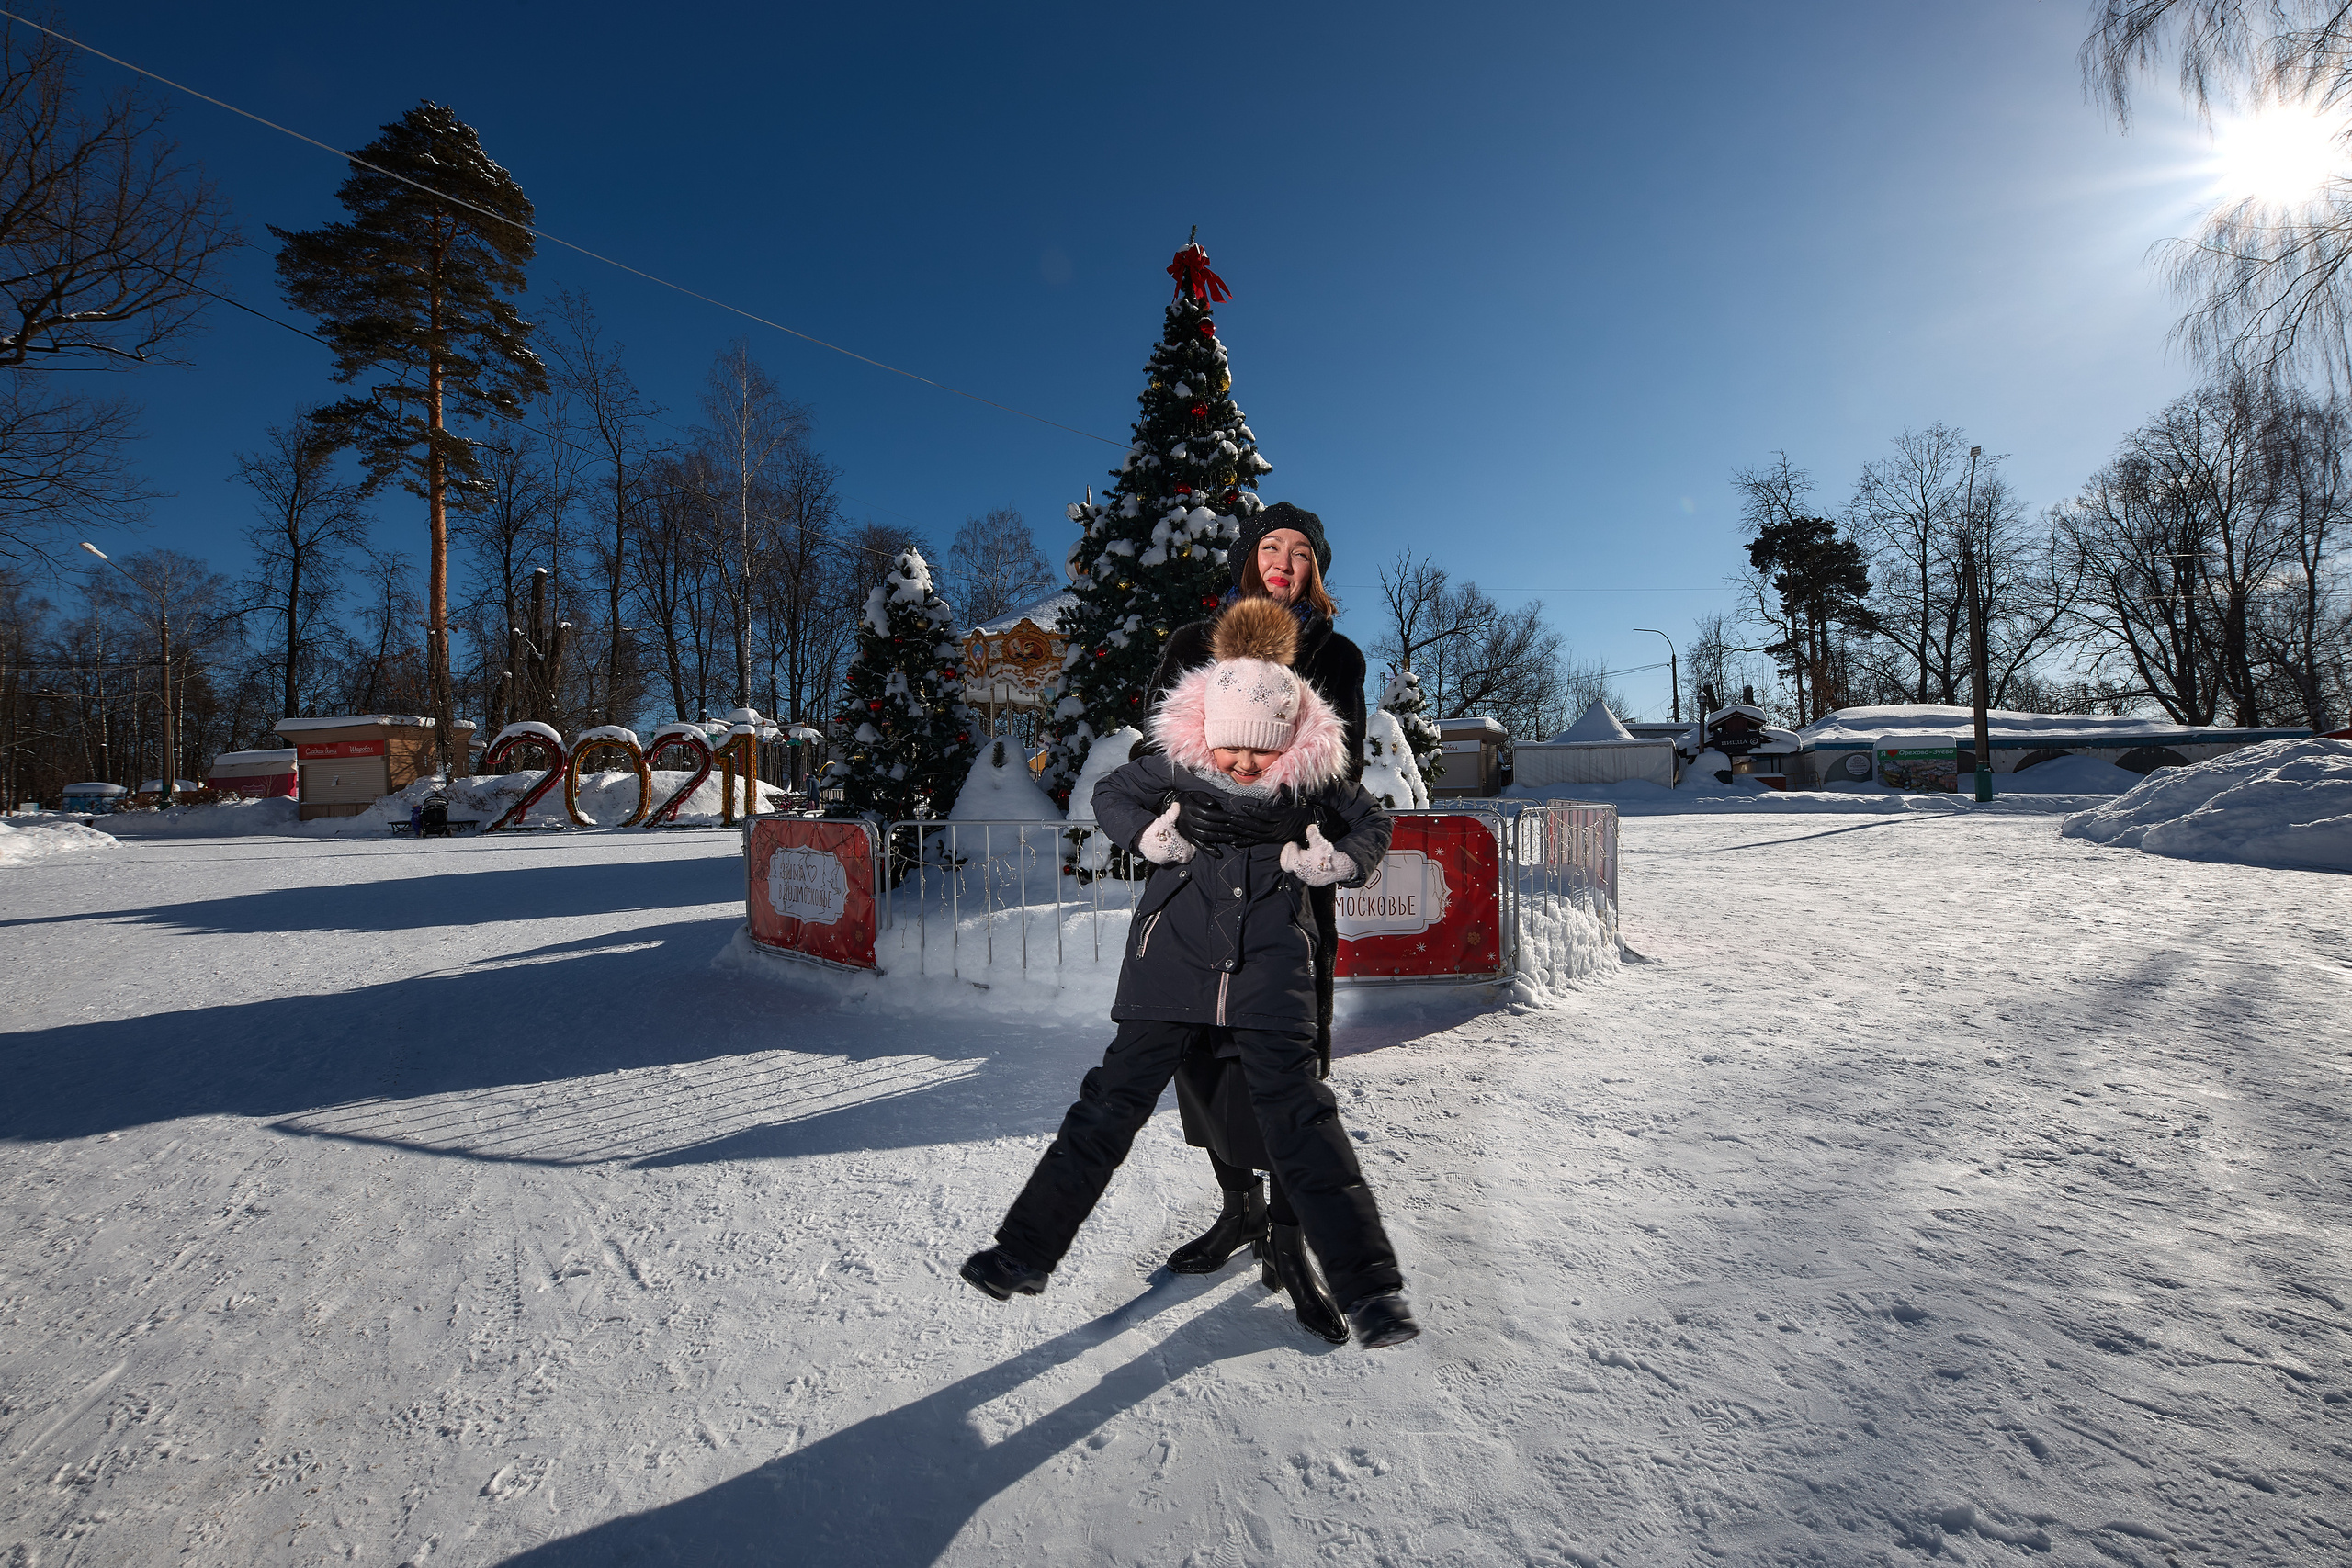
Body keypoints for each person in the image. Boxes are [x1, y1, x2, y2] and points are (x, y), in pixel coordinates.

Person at [961, 596, 1419, 1350]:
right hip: (1170, 964)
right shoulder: (1179, 762)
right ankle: (1024, 1252)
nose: (1245, 763)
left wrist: (1337, 861)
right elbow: (1111, 793)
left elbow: (1373, 821)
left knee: (1302, 1120)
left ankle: (1371, 1291)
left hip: (1270, 971)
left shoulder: (1314, 777)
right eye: (1232, 745)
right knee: (1109, 1105)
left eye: (1261, 749)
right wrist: (1148, 834)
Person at [1137, 502, 1374, 1292]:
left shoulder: (1336, 656)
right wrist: (1183, 802)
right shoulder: (1191, 646)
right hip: (1200, 887)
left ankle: (1287, 1239)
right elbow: (1155, 747)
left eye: (1301, 551)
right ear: (1248, 558)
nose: (1284, 561)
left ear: (1315, 570)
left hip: (1286, 887)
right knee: (1206, 1059)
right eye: (1270, 546)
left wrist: (1281, 810)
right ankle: (1238, 1210)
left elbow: (1342, 772)